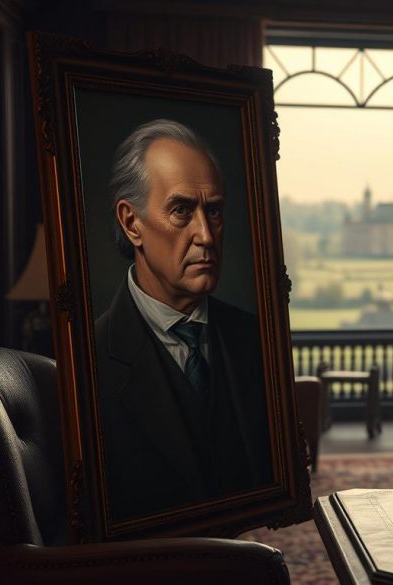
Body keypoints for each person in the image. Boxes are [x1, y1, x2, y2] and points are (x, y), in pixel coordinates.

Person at [94, 119, 271, 521]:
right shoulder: (87, 362)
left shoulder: (257, 339)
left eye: (214, 212)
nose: (206, 235)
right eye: (181, 211)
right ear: (131, 222)